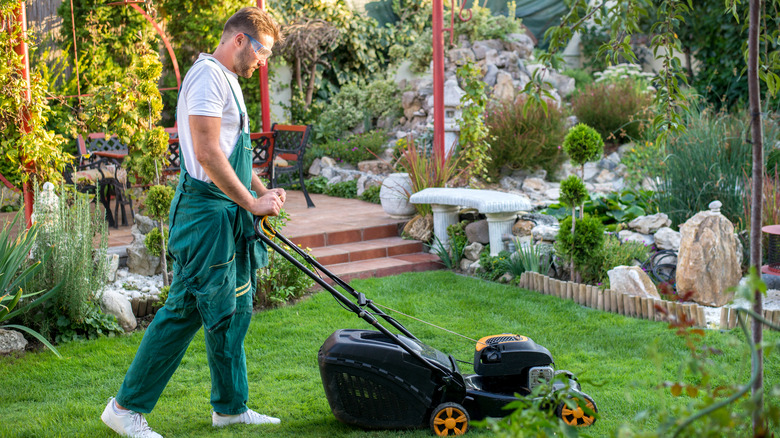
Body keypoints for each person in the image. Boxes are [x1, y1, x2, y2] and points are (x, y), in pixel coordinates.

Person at [100, 8, 285, 438]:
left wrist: (258, 192)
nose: (264, 61)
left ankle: (230, 407)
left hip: (226, 211)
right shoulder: (206, 76)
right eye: (263, 51)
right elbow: (206, 153)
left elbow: (233, 148)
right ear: (239, 40)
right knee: (185, 310)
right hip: (204, 213)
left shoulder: (229, 80)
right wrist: (252, 205)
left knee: (234, 307)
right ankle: (125, 409)